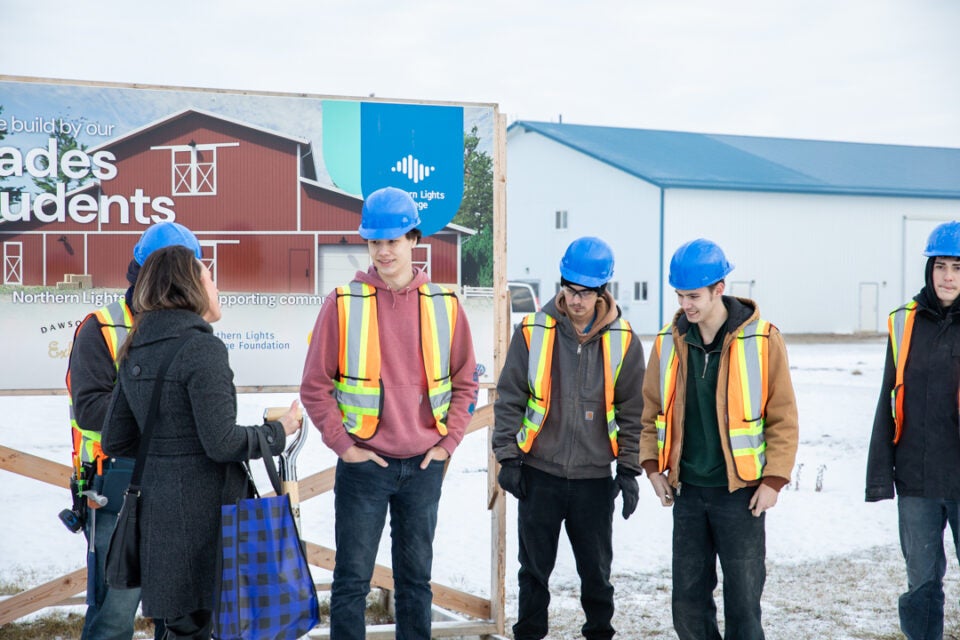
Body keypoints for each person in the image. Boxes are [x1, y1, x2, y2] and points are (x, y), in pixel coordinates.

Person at [300, 186, 478, 639]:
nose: (383, 251)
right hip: (364, 466)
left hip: (423, 467)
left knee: (416, 584)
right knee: (351, 583)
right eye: (374, 241)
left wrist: (447, 444)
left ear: (414, 240)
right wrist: (345, 447)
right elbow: (315, 387)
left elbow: (465, 383)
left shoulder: (445, 304)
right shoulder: (343, 303)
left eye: (393, 240)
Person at [101, 245, 302, 640]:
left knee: (182, 629)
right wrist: (279, 432)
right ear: (189, 287)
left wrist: (168, 453)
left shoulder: (136, 345)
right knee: (209, 626)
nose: (217, 288)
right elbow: (222, 443)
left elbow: (116, 439)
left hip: (159, 516)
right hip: (208, 521)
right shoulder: (202, 348)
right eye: (210, 279)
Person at [639, 238, 799, 640]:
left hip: (741, 495)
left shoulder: (763, 340)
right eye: (679, 295)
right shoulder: (668, 342)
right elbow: (651, 411)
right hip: (688, 492)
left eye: (693, 296)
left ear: (719, 289)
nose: (685, 305)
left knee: (744, 605)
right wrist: (652, 468)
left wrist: (774, 480)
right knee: (688, 605)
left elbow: (783, 418)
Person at [493, 236, 645, 640]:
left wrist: (629, 470)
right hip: (538, 475)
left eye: (586, 292)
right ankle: (529, 634)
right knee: (533, 573)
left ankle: (599, 633)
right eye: (570, 289)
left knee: (596, 574)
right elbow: (509, 397)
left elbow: (634, 411)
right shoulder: (533, 331)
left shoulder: (624, 339)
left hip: (594, 481)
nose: (576, 300)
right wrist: (508, 458)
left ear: (603, 291)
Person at [65, 221, 204, 640]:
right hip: (115, 486)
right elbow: (90, 409)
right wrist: (162, 410)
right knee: (113, 616)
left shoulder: (191, 329)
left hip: (178, 485)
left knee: (178, 615)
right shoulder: (103, 327)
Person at [866, 220, 960, 640]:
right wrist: (880, 473)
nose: (948, 277)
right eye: (941, 266)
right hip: (917, 479)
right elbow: (888, 399)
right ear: (929, 269)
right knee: (921, 584)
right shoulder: (904, 322)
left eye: (958, 267)